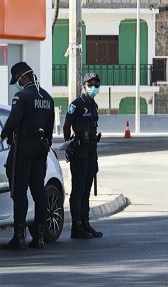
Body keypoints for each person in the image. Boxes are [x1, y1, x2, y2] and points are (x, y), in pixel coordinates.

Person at [0, 62, 55, 250]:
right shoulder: (47, 97)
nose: (17, 84)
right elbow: (49, 128)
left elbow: (13, 121)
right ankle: (39, 236)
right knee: (39, 191)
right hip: (41, 148)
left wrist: (3, 135)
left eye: (17, 80)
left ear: (22, 77)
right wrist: (46, 146)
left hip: (23, 147)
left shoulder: (21, 96)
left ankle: (19, 235)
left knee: (19, 191)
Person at [63, 73, 103, 239]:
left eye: (96, 84)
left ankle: (85, 223)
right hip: (79, 150)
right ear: (84, 85)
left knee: (87, 188)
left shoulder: (94, 105)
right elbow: (67, 126)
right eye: (90, 84)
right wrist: (68, 145)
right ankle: (76, 226)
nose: (93, 86)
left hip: (91, 149)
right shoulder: (76, 105)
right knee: (78, 190)